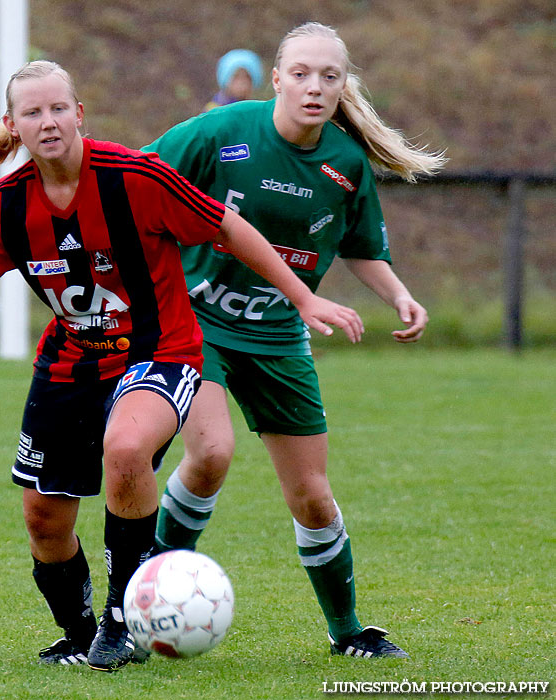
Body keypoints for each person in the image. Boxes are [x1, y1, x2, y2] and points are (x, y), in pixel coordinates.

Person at [0, 60, 365, 672]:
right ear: (13, 126)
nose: (47, 122)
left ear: (79, 115)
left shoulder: (135, 176)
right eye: (32, 113)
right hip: (70, 360)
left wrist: (304, 295)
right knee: (43, 519)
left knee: (127, 449)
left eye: (58, 109)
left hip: (158, 351)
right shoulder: (5, 205)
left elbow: (229, 227)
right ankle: (78, 632)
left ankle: (122, 619)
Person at [143, 21, 447, 658]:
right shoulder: (218, 134)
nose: (314, 87)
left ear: (343, 86)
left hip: (280, 334)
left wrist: (398, 295)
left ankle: (348, 633)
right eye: (301, 73)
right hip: (196, 323)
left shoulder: (345, 164)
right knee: (211, 454)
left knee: (312, 496)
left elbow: (364, 250)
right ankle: (149, 603)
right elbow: (134, 185)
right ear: (276, 77)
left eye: (329, 76)